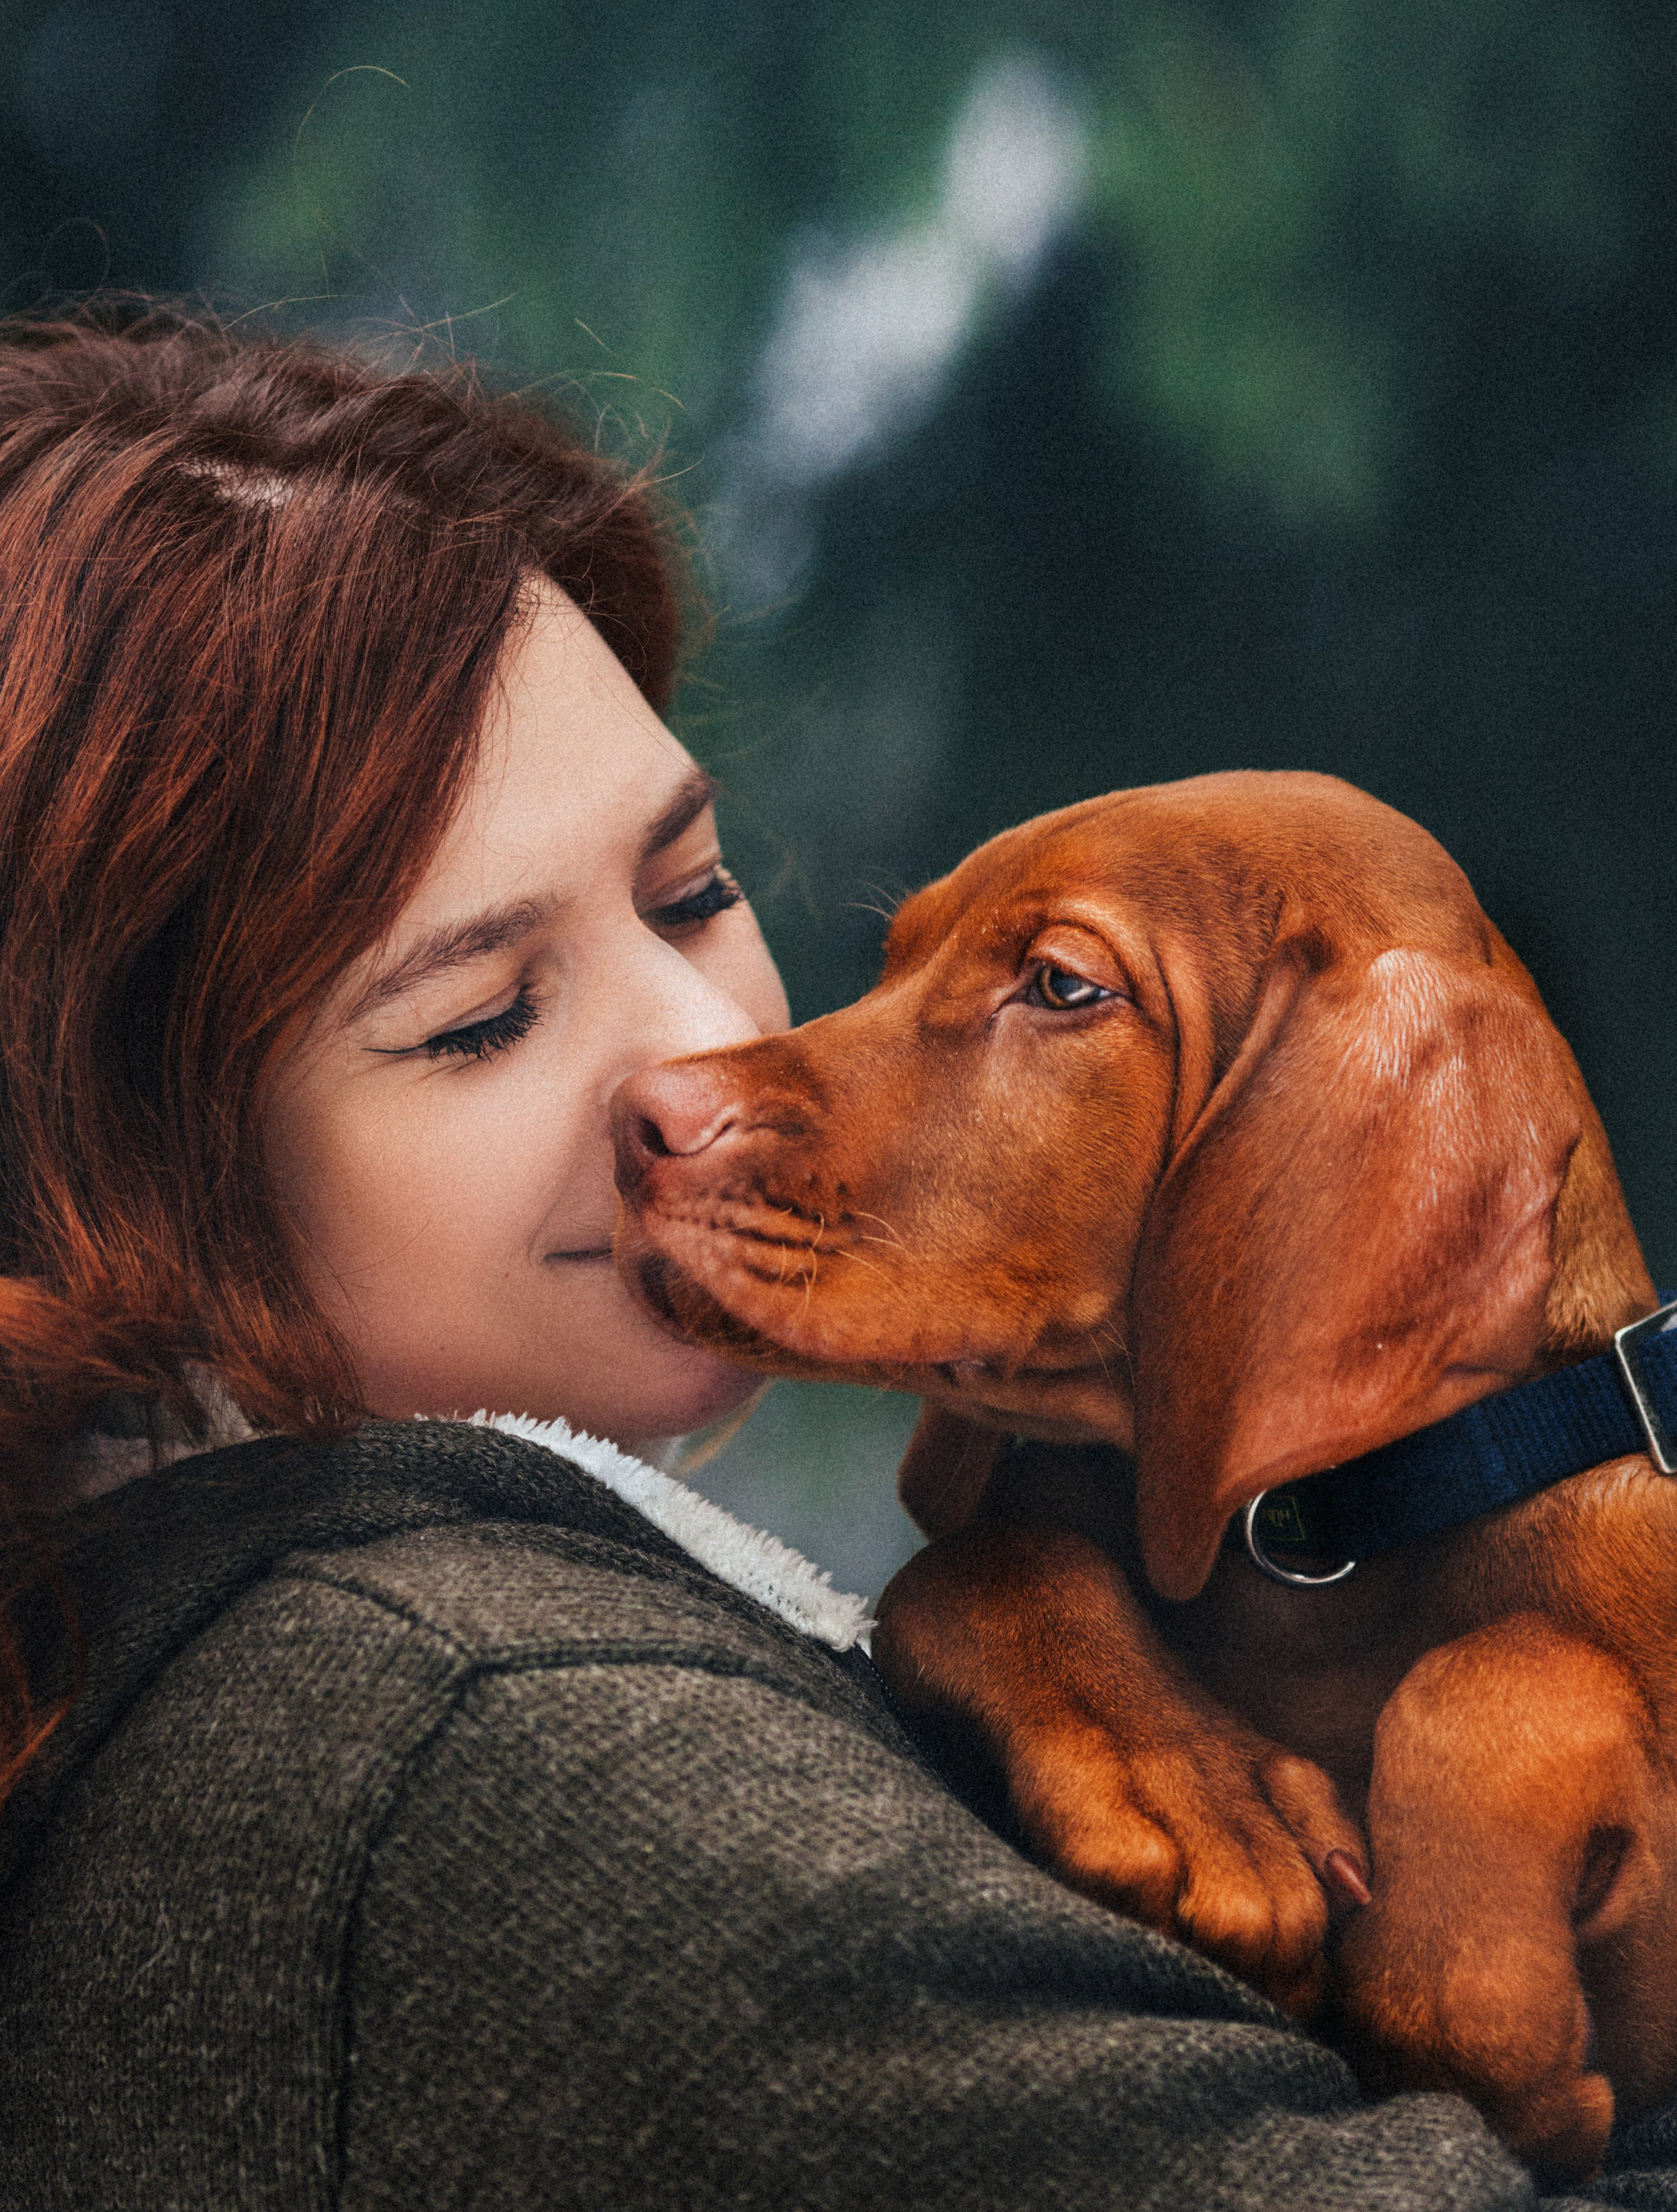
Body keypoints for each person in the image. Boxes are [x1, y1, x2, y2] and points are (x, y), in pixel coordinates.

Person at [0, 309, 1663, 2211]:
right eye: (475, 1019)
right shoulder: (506, 1753)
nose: (701, 1066)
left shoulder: (234, 1661)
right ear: (84, 1190)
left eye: (693, 892)